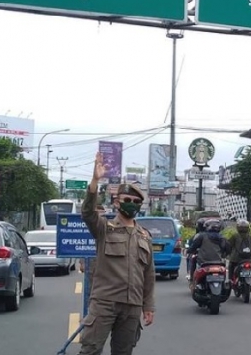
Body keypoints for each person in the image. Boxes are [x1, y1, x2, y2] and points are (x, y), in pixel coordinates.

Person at [78, 152, 156, 355]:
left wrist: (148, 306)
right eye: (127, 199)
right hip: (104, 302)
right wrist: (95, 181)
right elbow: (87, 213)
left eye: (136, 201)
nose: (131, 203)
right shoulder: (105, 228)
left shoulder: (144, 236)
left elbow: (149, 275)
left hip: (132, 307)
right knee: (90, 350)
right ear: (117, 202)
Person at [187, 218, 231, 289]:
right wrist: (223, 255)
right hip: (219, 262)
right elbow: (228, 249)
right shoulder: (222, 238)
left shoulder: (202, 236)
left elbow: (193, 246)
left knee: (194, 260)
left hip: (204, 262)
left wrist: (189, 250)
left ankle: (192, 281)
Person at [78, 203, 107, 284]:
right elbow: (82, 246)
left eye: (102, 213)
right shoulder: (86, 228)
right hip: (90, 263)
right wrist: (82, 263)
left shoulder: (107, 226)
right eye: (97, 213)